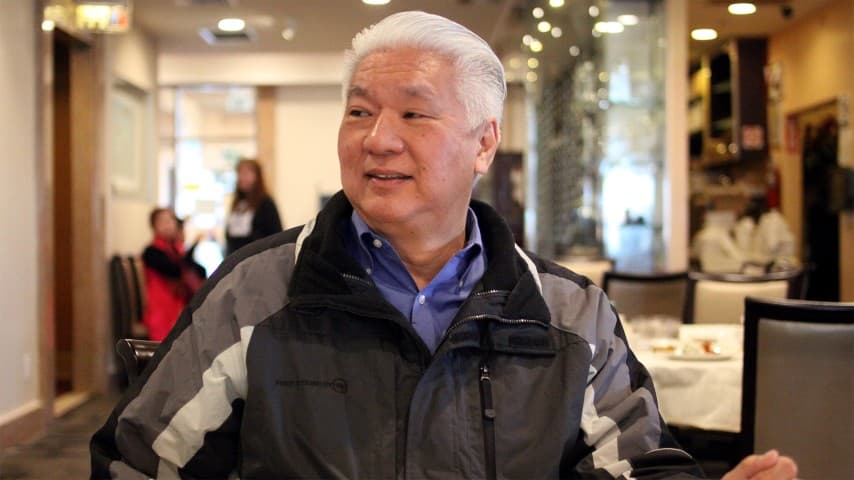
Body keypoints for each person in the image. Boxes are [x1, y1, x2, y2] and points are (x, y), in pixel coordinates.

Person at [91, 12, 797, 479]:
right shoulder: (257, 293)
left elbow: (636, 465)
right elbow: (139, 464)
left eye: (414, 113)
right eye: (360, 110)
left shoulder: (565, 315)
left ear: (484, 142)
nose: (377, 138)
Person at [140, 208, 205, 341]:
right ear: (154, 227)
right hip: (162, 312)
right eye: (163, 221)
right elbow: (174, 270)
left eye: (171, 220)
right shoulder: (151, 252)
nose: (168, 225)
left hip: (178, 308)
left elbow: (199, 270)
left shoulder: (175, 249)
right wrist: (194, 245)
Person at [224, 157, 283, 256]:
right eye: (240, 173)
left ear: (257, 176)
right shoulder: (238, 203)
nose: (242, 178)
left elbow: (276, 234)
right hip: (235, 257)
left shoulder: (266, 202)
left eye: (246, 173)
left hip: (257, 258)